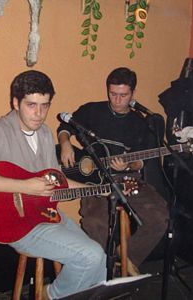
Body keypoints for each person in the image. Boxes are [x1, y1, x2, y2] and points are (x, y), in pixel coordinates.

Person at [0, 70, 107, 300]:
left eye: (45, 106)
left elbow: (57, 181)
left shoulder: (46, 133)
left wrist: (101, 189)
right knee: (91, 256)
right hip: (17, 224)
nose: (39, 114)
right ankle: (49, 295)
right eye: (31, 105)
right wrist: (24, 187)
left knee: (99, 265)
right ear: (15, 102)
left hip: (46, 215)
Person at [57, 67, 168, 275]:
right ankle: (96, 272)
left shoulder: (141, 123)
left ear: (133, 94)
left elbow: (141, 161)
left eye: (123, 95)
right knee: (94, 222)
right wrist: (65, 143)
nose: (117, 100)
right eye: (113, 94)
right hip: (95, 182)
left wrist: (128, 165)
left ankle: (128, 256)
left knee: (159, 217)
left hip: (129, 180)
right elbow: (66, 125)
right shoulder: (93, 111)